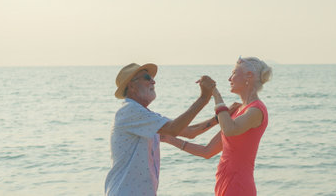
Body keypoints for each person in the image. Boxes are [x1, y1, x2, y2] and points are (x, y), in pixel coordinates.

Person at [161, 56, 272, 196]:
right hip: (223, 183)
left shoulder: (256, 110)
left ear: (248, 75)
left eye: (233, 73)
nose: (229, 78)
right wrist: (169, 139)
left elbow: (230, 130)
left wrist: (215, 94)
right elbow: (207, 151)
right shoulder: (236, 112)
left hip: (239, 186)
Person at [104, 62, 216, 196]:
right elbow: (174, 129)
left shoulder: (145, 116)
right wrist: (204, 98)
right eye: (147, 77)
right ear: (131, 85)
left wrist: (220, 117)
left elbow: (189, 132)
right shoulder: (129, 111)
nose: (153, 81)